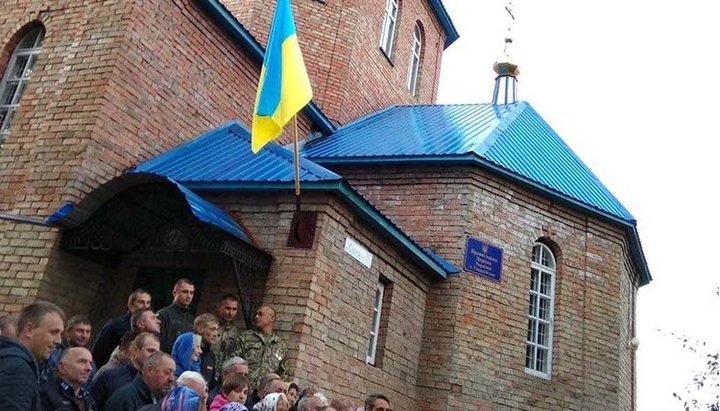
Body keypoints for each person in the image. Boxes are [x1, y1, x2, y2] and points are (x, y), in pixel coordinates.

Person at [0, 301, 65, 411]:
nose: (59, 341)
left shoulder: (10, 359)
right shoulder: (18, 370)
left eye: (60, 334)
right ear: (29, 330)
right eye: (54, 332)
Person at [91, 332, 160, 409]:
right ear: (135, 351)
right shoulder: (109, 377)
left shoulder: (158, 381)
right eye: (150, 351)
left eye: (157, 353)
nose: (154, 356)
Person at [92, 288, 152, 368]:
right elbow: (98, 354)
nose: (145, 306)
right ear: (130, 305)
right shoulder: (115, 325)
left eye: (148, 303)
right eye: (141, 302)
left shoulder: (147, 330)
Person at [232, 306, 286, 391]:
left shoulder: (280, 346)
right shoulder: (245, 337)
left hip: (265, 394)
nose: (256, 317)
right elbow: (233, 362)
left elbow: (282, 374)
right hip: (243, 389)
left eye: (260, 314)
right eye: (256, 314)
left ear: (271, 318)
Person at [103, 351, 176, 411]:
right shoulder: (125, 399)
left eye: (173, 374)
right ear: (150, 370)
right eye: (167, 372)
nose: (172, 379)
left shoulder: (165, 400)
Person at [39, 314, 94, 385]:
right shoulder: (52, 352)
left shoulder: (90, 361)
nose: (84, 336)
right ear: (68, 332)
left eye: (88, 332)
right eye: (80, 331)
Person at [39, 347, 97, 411]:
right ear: (62, 367)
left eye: (90, 364)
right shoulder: (45, 395)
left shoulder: (89, 400)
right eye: (82, 362)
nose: (89, 368)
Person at [158, 279, 196, 353]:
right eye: (185, 292)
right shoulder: (163, 315)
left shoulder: (192, 319)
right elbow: (158, 343)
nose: (189, 296)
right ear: (174, 293)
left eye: (191, 293)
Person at [212, 295, 240, 380]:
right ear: (219, 307)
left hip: (223, 376)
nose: (231, 313)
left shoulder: (236, 333)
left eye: (234, 309)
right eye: (228, 308)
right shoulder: (210, 327)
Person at [194, 313, 220, 388]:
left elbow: (211, 384)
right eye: (212, 329)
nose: (216, 334)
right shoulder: (190, 350)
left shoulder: (211, 355)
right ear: (200, 329)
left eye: (217, 330)